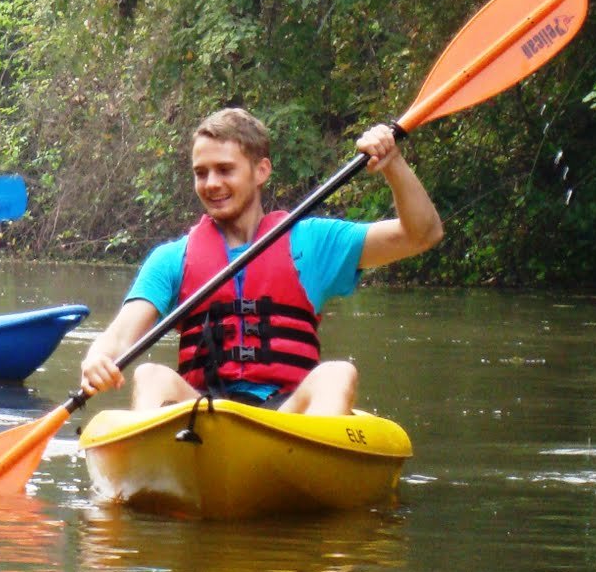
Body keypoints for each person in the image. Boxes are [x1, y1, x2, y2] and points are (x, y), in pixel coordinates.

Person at [79, 107, 444, 416]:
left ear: (261, 171)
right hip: (203, 415)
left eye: (225, 169)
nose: (211, 183)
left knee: (337, 373)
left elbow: (421, 235)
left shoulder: (311, 241)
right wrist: (98, 357)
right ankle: (156, 473)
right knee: (149, 376)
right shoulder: (173, 258)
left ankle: (310, 469)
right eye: (201, 172)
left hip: (287, 416)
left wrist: (393, 163)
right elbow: (120, 336)